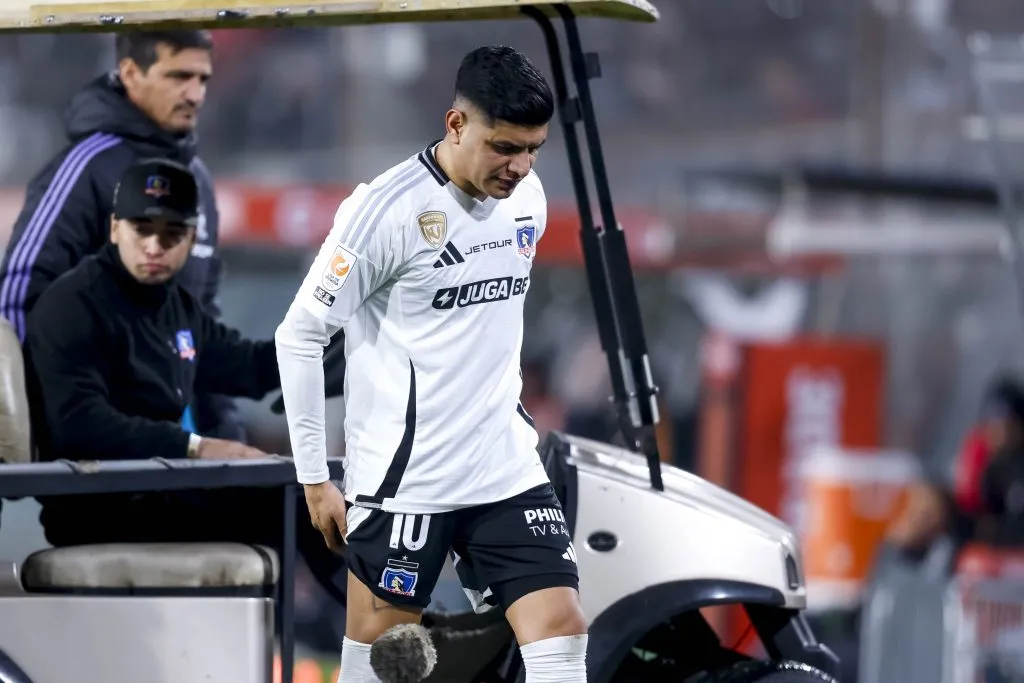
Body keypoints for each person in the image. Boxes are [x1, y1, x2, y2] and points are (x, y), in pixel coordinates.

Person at [275, 46, 587, 683]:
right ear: (456, 125)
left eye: (534, 149)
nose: (521, 166)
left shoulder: (528, 200)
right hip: (406, 482)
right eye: (505, 147)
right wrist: (315, 478)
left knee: (561, 629)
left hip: (503, 467)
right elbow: (299, 335)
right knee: (387, 663)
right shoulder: (386, 211)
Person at [21, 158, 348, 612]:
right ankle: (382, 629)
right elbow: (79, 424)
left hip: (162, 489)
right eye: (142, 229)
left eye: (171, 234)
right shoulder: (73, 304)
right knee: (300, 503)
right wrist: (197, 447)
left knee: (318, 498)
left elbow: (246, 366)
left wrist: (324, 353)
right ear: (115, 229)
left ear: (191, 240)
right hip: (99, 505)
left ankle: (379, 625)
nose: (154, 246)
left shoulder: (176, 305)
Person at [0, 29, 244, 442]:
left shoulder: (198, 181)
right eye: (178, 76)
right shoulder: (85, 169)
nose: (195, 94)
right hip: (96, 447)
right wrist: (43, 426)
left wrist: (226, 429)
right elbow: (20, 292)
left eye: (202, 79)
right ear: (131, 73)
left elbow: (199, 321)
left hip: (177, 444)